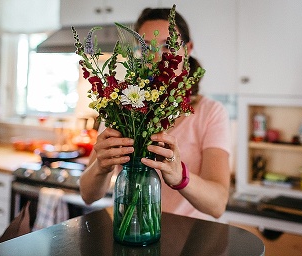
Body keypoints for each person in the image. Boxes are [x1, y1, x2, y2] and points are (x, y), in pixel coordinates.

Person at [79, 8, 232, 220]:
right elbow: (88, 195)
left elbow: (217, 205)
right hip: (131, 235)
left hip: (189, 242)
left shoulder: (210, 113)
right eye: (147, 47)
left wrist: (180, 177)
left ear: (187, 49)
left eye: (168, 46)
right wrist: (101, 167)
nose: (157, 57)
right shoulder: (122, 107)